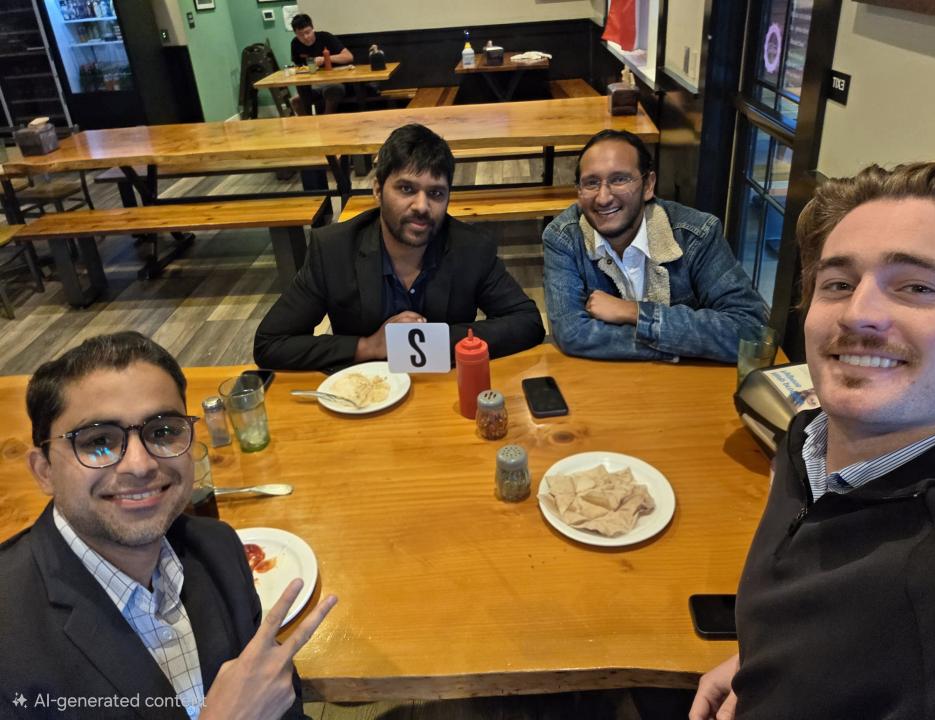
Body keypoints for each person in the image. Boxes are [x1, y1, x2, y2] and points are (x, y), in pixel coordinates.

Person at [690, 161, 935, 720]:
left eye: (916, 287)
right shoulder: (805, 443)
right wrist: (763, 661)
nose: (859, 312)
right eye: (838, 284)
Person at [0, 332, 337, 719]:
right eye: (98, 442)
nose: (140, 465)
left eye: (162, 432)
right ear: (44, 471)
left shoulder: (219, 549)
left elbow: (277, 701)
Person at [254, 123, 545, 372]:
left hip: (445, 393)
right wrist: (369, 346)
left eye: (436, 193)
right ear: (378, 189)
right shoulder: (333, 248)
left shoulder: (471, 248)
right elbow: (271, 342)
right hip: (366, 395)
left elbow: (527, 322)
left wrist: (429, 340)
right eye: (406, 189)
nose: (422, 206)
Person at [542, 129, 766, 362]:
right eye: (591, 183)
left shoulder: (696, 234)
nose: (603, 197)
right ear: (578, 191)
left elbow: (750, 332)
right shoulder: (563, 238)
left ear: (648, 185)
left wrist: (635, 312)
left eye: (619, 179)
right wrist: (687, 344)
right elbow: (573, 334)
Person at [289, 13, 353, 115]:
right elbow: (298, 67)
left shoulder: (325, 37)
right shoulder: (295, 44)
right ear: (296, 34)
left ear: (313, 28)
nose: (305, 37)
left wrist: (325, 59)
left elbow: (349, 56)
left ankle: (325, 121)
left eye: (308, 32)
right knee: (296, 101)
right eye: (300, 35)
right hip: (314, 85)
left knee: (333, 90)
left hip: (334, 82)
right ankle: (308, 126)